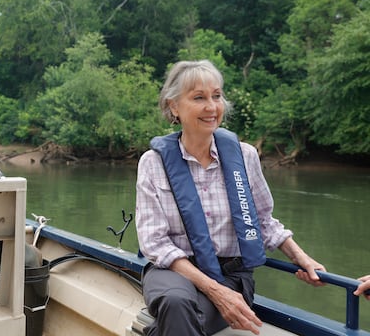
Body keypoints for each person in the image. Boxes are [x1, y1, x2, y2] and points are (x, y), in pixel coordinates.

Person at [135, 60, 326, 336]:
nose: (212, 107)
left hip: (232, 275)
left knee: (181, 320)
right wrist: (214, 290)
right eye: (199, 97)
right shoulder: (153, 163)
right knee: (176, 302)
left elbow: (263, 221)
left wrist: (302, 257)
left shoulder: (245, 156)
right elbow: (154, 242)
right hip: (173, 273)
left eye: (217, 96)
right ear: (174, 106)